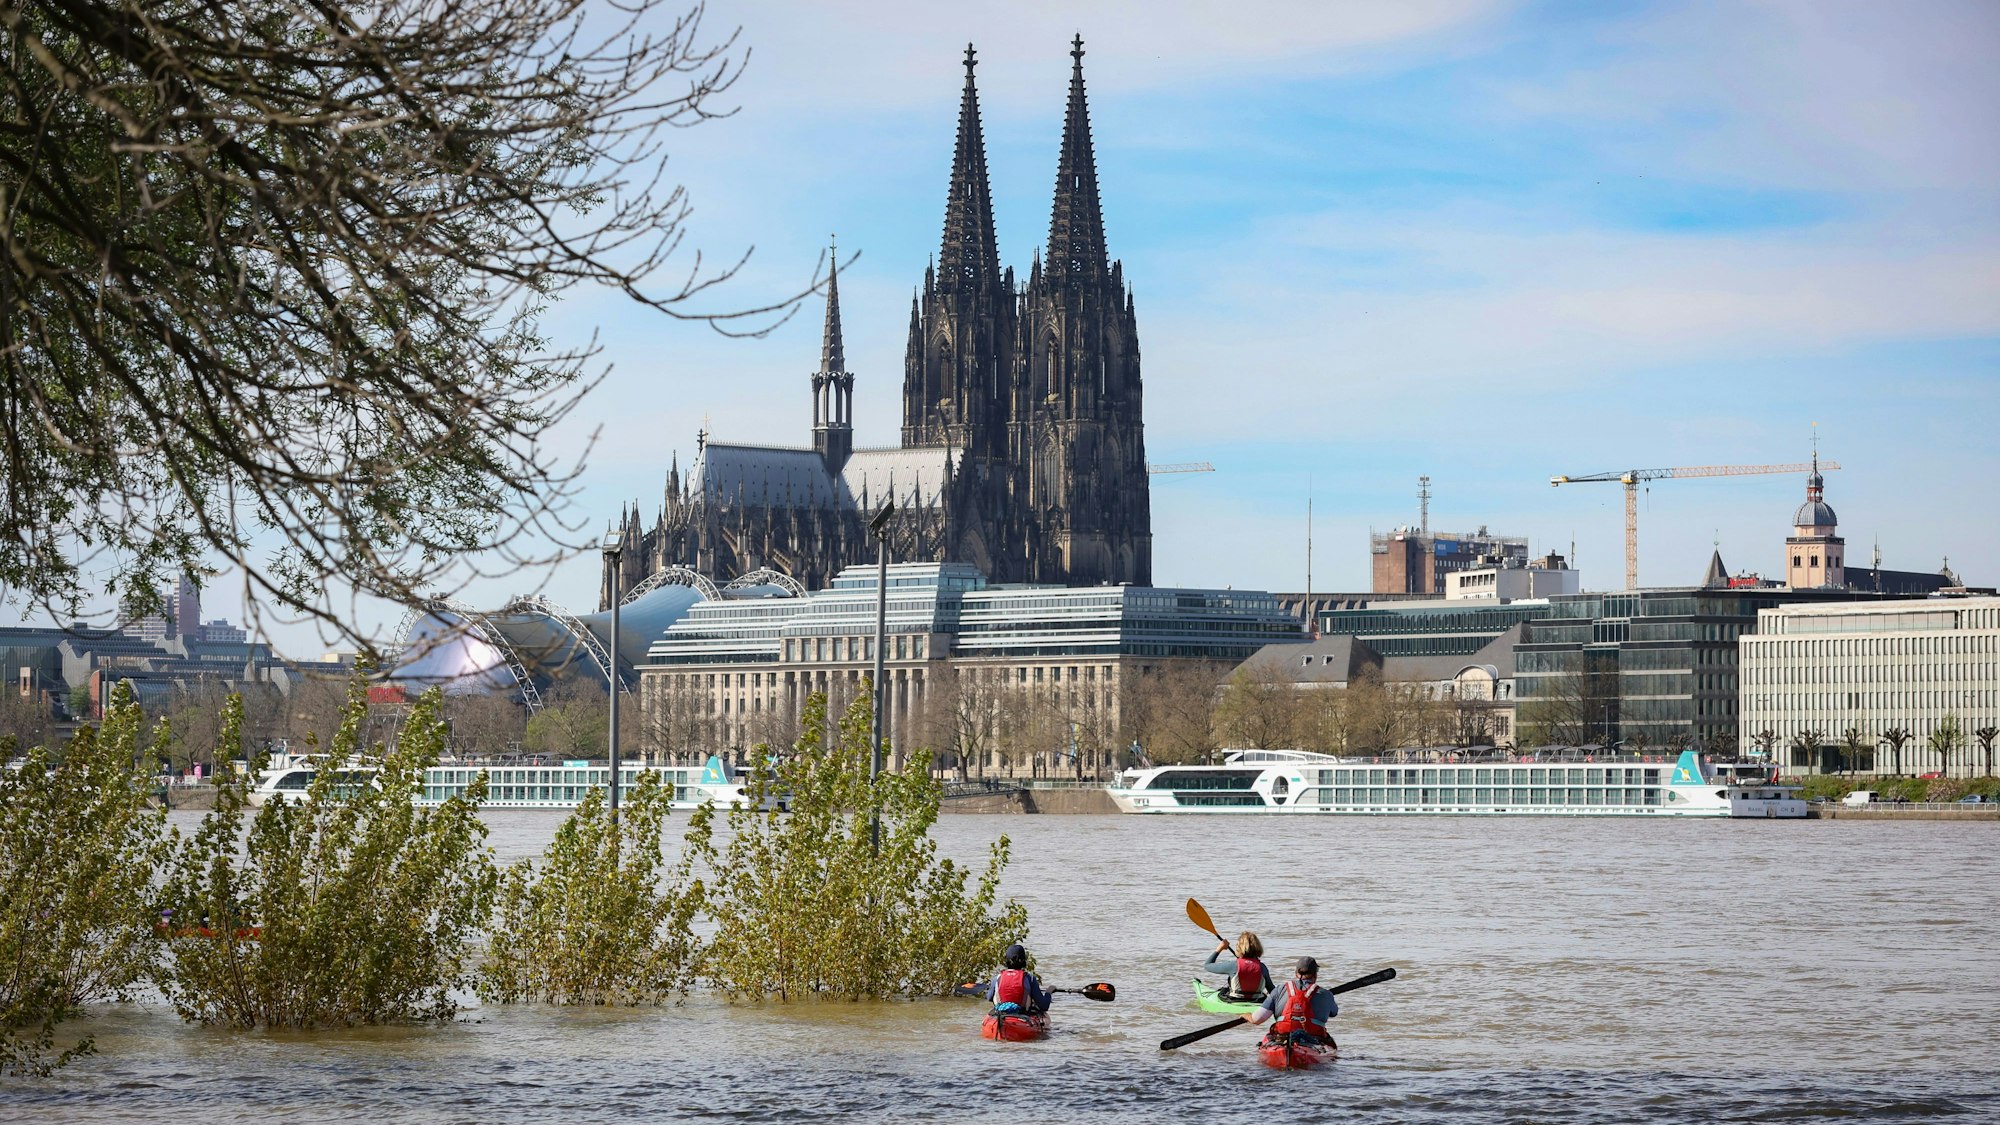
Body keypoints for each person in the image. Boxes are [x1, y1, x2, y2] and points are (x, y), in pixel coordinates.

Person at [1245, 956, 1337, 1046]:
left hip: (1283, 1038)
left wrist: (1245, 1015)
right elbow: (1334, 1012)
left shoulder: (1279, 990)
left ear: (1296, 973)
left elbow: (1257, 1019)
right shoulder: (1326, 994)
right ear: (1315, 974)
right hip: (1313, 1040)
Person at [1202, 931, 1272, 1002]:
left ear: (1239, 948)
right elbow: (1272, 990)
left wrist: (1220, 948)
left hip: (1235, 1000)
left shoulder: (1233, 965)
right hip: (1258, 1001)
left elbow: (1207, 965)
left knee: (1223, 991)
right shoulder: (1262, 967)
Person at [987, 943, 1052, 1015]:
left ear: (1006, 960)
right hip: (1022, 1015)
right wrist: (1049, 992)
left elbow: (989, 998)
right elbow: (1044, 1006)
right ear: (1024, 961)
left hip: (1001, 1014)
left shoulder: (997, 978)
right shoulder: (1030, 979)